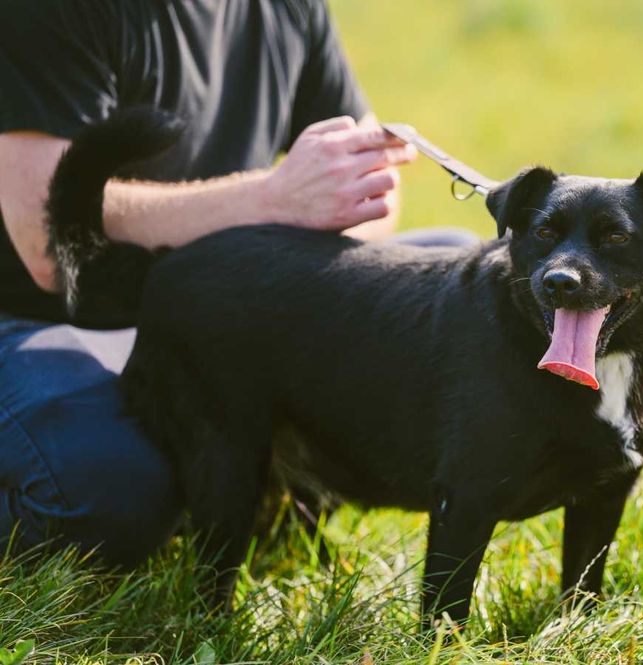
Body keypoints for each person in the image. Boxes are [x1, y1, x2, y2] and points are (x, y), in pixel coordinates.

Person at [0, 0, 476, 566]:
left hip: (222, 314)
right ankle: (247, 483)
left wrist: (346, 191)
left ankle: (261, 481)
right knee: (109, 482)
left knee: (457, 282)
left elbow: (375, 198)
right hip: (46, 320)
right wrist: (272, 199)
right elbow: (49, 245)